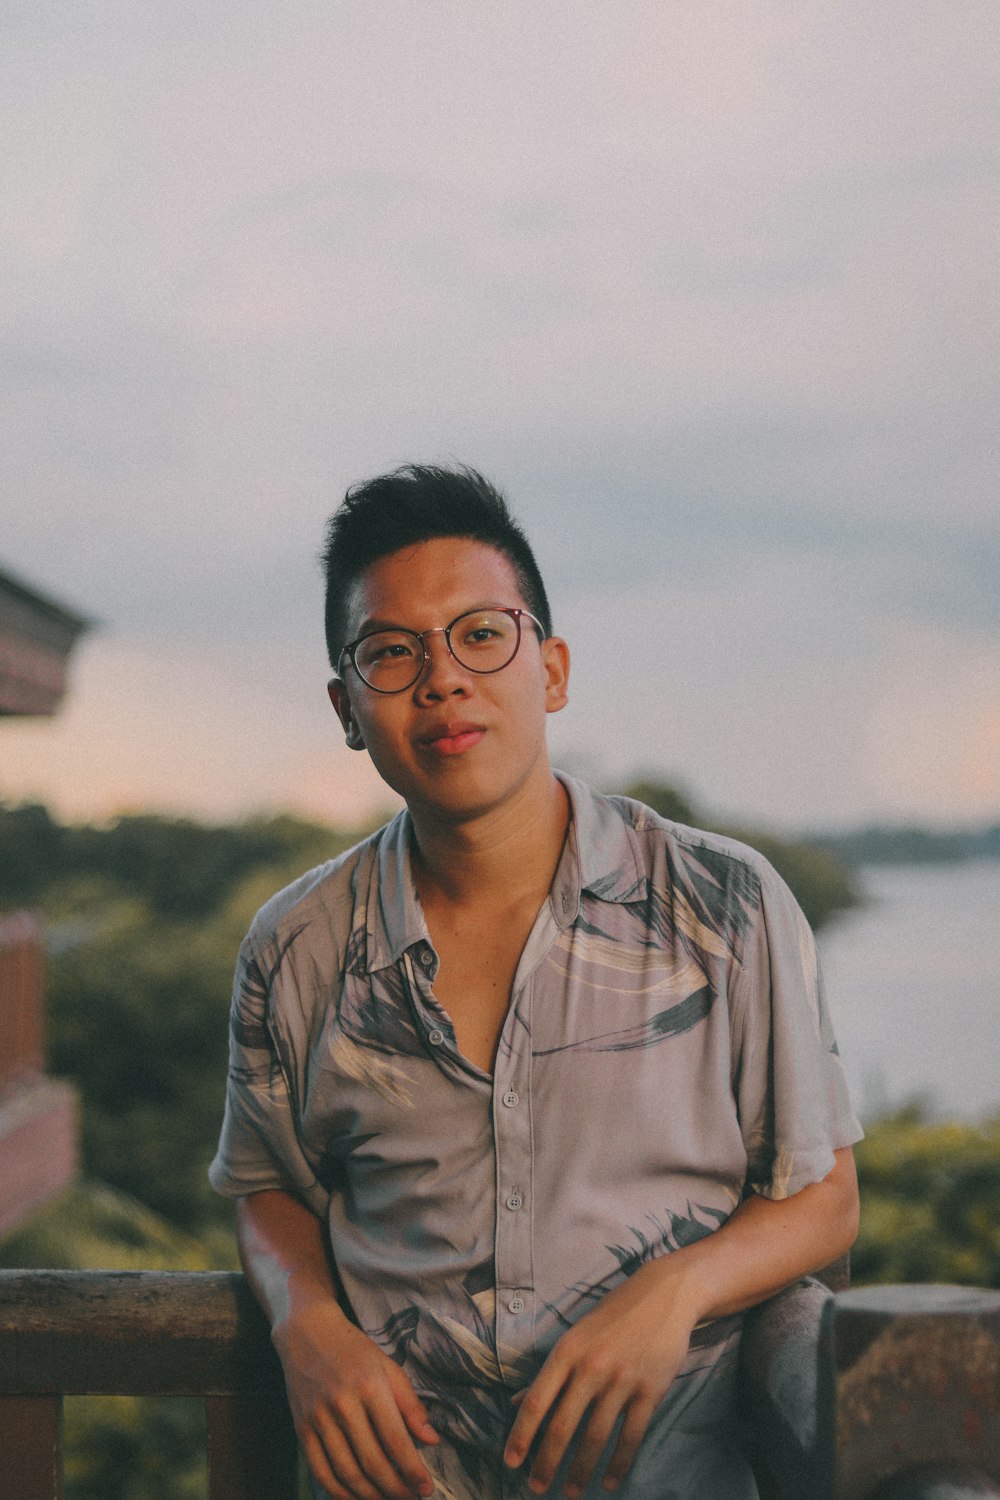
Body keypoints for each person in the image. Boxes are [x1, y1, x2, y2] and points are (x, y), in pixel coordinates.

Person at [210, 464, 862, 1500]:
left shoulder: (723, 904)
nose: (442, 680)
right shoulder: (297, 945)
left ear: (550, 670)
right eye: (392, 652)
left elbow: (820, 1198)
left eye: (480, 634)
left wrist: (673, 1291)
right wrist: (308, 1326)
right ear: (346, 709)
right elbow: (265, 1185)